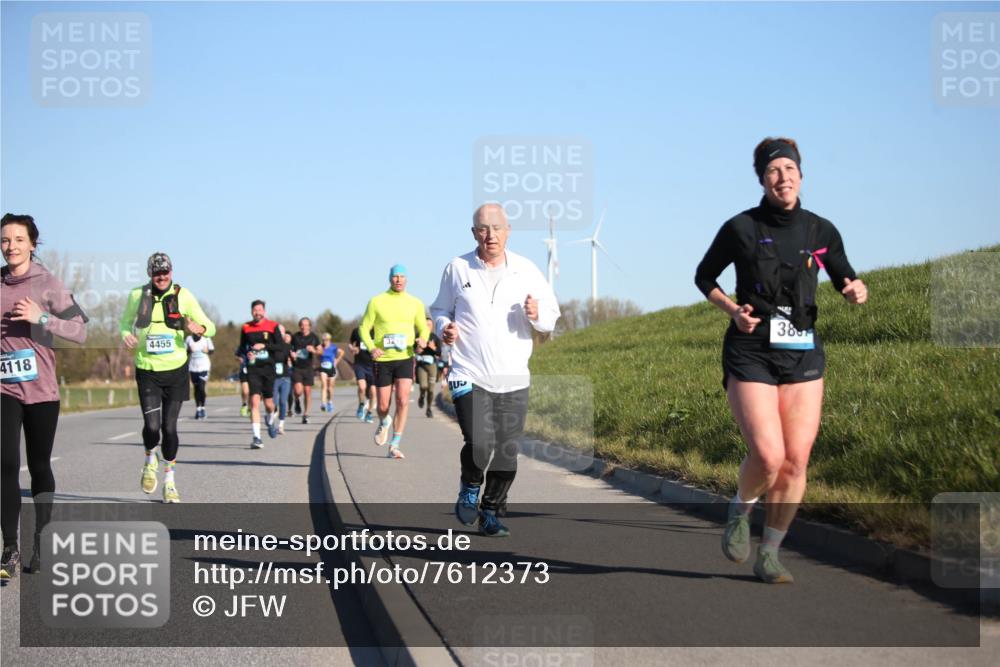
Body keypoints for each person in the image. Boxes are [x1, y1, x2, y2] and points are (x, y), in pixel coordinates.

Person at [694, 137, 868, 583]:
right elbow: (704, 275)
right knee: (769, 456)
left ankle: (770, 553)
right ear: (762, 179)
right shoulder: (741, 228)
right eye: (774, 171)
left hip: (802, 351)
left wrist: (854, 289)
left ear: (801, 177)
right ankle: (740, 510)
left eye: (790, 169)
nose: (783, 177)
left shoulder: (820, 231)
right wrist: (732, 310)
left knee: (796, 461)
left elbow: (843, 273)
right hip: (751, 349)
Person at [431, 204, 559, 536]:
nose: (491, 235)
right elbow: (440, 309)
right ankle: (470, 486)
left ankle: (490, 510)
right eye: (483, 229)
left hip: (513, 376)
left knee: (506, 455)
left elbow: (551, 314)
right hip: (468, 372)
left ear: (508, 230)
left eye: (497, 228)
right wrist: (444, 327)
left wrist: (536, 313)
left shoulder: (526, 269)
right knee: (480, 444)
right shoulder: (457, 268)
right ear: (474, 233)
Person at [1, 214, 88, 578]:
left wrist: (42, 318)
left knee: (38, 467)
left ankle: (42, 537)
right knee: (5, 464)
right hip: (4, 387)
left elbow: (80, 331)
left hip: (42, 391)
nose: (11, 247)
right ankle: (9, 548)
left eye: (19, 240)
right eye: (5, 240)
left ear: (32, 244)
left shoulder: (48, 283)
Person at [121, 252, 215, 504]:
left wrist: (199, 329)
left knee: (169, 428)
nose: (161, 277)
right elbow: (124, 324)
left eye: (165, 272)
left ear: (171, 272)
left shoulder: (184, 296)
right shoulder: (136, 296)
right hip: (148, 369)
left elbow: (210, 326)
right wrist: (126, 335)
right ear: (149, 274)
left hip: (176, 371)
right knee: (152, 428)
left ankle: (170, 482)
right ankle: (150, 457)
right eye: (156, 273)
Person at [360, 264, 429, 460]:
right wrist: (372, 346)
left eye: (402, 276)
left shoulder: (415, 303)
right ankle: (384, 421)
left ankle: (395, 444)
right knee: (382, 405)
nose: (398, 280)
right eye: (395, 277)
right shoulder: (376, 301)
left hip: (405, 357)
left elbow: (423, 328)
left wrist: (422, 339)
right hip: (383, 360)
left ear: (407, 279)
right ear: (389, 279)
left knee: (402, 400)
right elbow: (364, 328)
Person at [240, 300, 283, 448]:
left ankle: (271, 417)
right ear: (251, 311)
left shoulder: (273, 326)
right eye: (254, 310)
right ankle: (257, 437)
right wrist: (247, 354)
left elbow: (281, 346)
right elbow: (242, 348)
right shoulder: (245, 327)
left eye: (260, 310)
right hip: (253, 369)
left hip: (268, 369)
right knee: (254, 402)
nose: (257, 312)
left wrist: (264, 345)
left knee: (269, 404)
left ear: (264, 311)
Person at [291, 317, 321, 424]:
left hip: (308, 368)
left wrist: (314, 350)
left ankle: (306, 414)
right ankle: (297, 400)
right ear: (300, 326)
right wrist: (292, 354)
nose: (304, 327)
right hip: (297, 367)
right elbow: (290, 349)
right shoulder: (295, 337)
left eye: (306, 325)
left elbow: (320, 351)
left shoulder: (314, 337)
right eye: (302, 325)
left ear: (309, 326)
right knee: (298, 391)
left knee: (307, 391)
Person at [415, 317, 441, 418]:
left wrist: (432, 347)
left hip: (432, 366)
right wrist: (418, 349)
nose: (427, 327)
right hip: (421, 365)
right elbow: (413, 350)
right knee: (423, 386)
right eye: (425, 324)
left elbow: (439, 352)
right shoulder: (418, 336)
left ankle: (429, 408)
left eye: (429, 325)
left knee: (431, 390)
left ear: (432, 326)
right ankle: (421, 396)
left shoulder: (435, 337)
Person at [185, 333, 214, 419]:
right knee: (196, 388)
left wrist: (207, 351)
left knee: (201, 387)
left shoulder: (206, 338)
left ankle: (203, 408)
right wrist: (189, 350)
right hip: (193, 367)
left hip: (204, 366)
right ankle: (198, 409)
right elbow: (184, 351)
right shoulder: (188, 338)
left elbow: (212, 350)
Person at [272, 330, 294, 435]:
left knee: (282, 401)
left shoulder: (288, 347)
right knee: (274, 402)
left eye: (282, 333)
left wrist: (293, 359)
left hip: (285, 378)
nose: (281, 335)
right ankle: (272, 417)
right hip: (274, 378)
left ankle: (281, 425)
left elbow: (294, 362)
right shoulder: (270, 346)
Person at [318, 332, 344, 413]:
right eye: (323, 340)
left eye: (326, 340)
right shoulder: (320, 347)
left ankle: (330, 401)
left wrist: (337, 360)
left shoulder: (333, 347)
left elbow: (342, 352)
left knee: (330, 387)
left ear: (329, 340)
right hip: (323, 368)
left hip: (332, 368)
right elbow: (317, 354)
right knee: (324, 385)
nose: (324, 342)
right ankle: (323, 403)